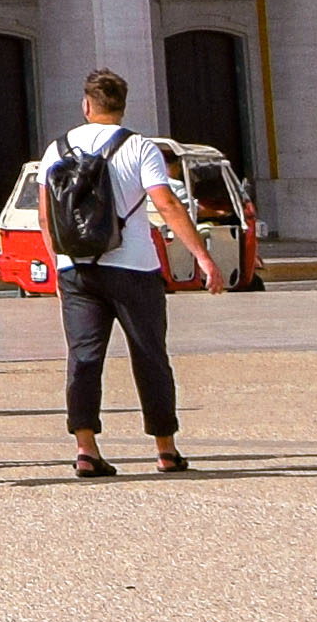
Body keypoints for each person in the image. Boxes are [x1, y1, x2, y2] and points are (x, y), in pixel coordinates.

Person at [42, 68, 216, 480]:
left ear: (86, 106)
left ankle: (86, 449)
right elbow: (167, 206)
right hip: (134, 266)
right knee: (150, 355)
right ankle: (165, 449)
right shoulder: (140, 147)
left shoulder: (57, 148)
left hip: (76, 270)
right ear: (122, 106)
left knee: (83, 358)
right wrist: (203, 258)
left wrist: (57, 266)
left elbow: (48, 216)